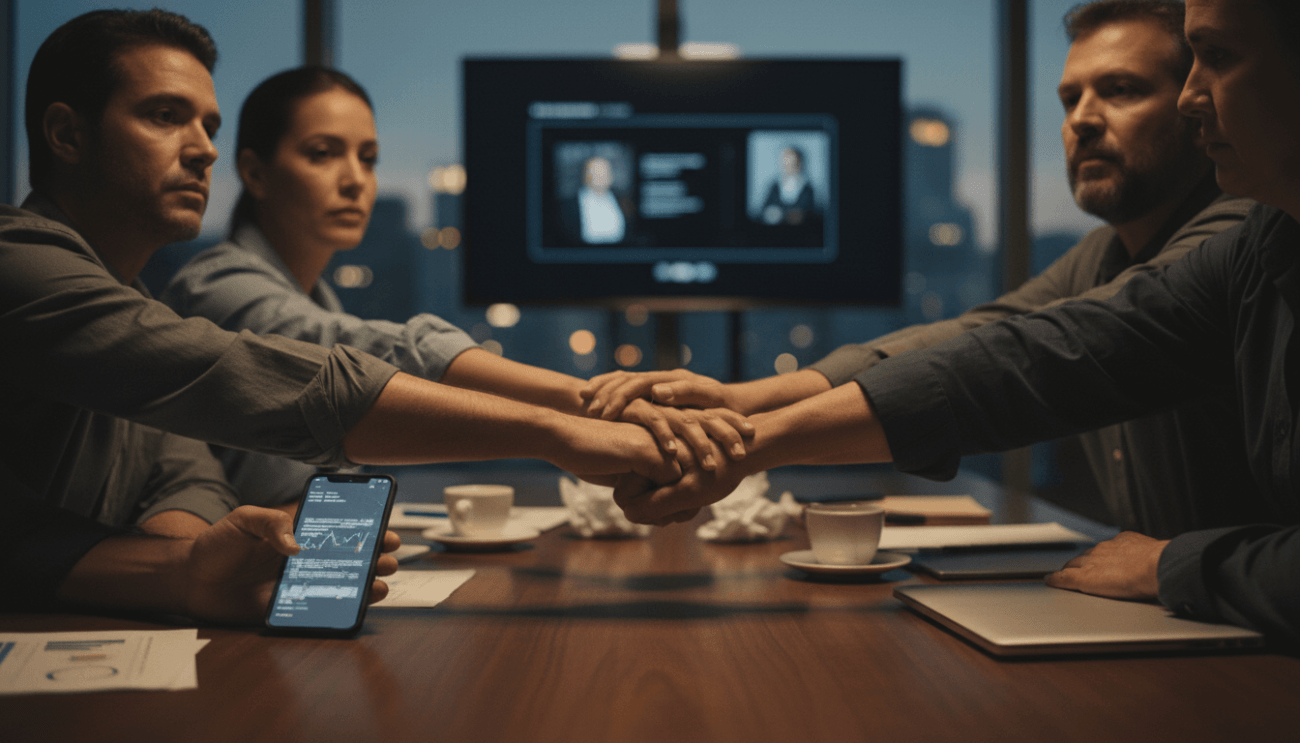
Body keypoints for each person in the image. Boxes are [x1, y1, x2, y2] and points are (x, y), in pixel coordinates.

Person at [614, 0, 1300, 643]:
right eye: (1069, 99)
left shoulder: (1236, 227)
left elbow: (1050, 353)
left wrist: (1174, 566)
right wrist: (744, 410)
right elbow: (1002, 344)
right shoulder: (1241, 243)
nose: (1083, 119)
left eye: (1122, 90)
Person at [0, 9, 685, 623]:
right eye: (163, 115)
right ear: (66, 133)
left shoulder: (137, 300)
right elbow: (256, 373)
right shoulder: (21, 263)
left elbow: (184, 470)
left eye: (208, 124)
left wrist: (187, 566)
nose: (203, 147)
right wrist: (561, 427)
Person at [161, 67, 750, 507]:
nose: (354, 180)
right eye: (323, 154)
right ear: (256, 172)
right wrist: (581, 412)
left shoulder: (309, 293)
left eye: (368, 158)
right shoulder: (218, 289)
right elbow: (360, 356)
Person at [758, 146, 815, 226]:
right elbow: (765, 210)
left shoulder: (807, 188)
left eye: (792, 163)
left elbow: (806, 213)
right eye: (785, 162)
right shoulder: (775, 186)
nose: (788, 166)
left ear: (799, 163)